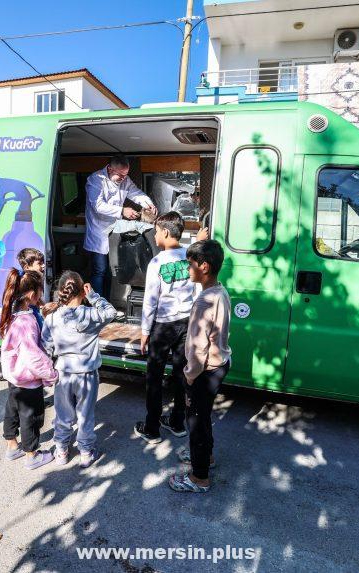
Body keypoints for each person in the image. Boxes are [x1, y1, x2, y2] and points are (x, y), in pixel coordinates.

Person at [168, 240, 231, 493]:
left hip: (204, 371)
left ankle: (199, 477)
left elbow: (196, 348)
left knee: (196, 422)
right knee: (203, 417)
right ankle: (207, 458)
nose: (187, 268)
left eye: (190, 264)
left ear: (204, 267)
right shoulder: (220, 292)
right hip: (219, 365)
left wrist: (190, 376)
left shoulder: (204, 302)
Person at [42, 271, 117, 468]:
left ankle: (61, 450)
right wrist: (93, 296)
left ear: (61, 292)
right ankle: (85, 452)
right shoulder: (92, 315)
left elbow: (46, 347)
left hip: (63, 374)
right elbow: (111, 312)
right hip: (87, 375)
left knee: (63, 414)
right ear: (82, 293)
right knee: (85, 414)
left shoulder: (52, 318)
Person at [134, 212, 197, 444]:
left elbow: (150, 300)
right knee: (182, 374)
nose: (155, 234)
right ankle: (177, 422)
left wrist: (144, 332)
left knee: (154, 376)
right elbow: (196, 290)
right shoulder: (190, 256)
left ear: (166, 233)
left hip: (163, 325)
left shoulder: (157, 262)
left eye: (157, 231)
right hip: (186, 323)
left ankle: (151, 428)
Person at [0, 269, 58, 470]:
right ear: (32, 295)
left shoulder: (13, 314)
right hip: (28, 380)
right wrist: (51, 374)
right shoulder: (27, 322)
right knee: (30, 418)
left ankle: (12, 446)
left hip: (14, 377)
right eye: (40, 291)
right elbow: (33, 356)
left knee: (12, 411)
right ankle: (32, 455)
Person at [84, 155, 157, 297]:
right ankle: (98, 305)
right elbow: (97, 205)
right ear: (110, 169)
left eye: (126, 175)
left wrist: (148, 203)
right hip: (98, 232)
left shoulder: (124, 179)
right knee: (99, 270)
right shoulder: (96, 180)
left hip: (113, 233)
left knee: (111, 270)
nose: (124, 178)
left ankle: (107, 304)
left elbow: (135, 193)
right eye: (121, 175)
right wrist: (122, 211)